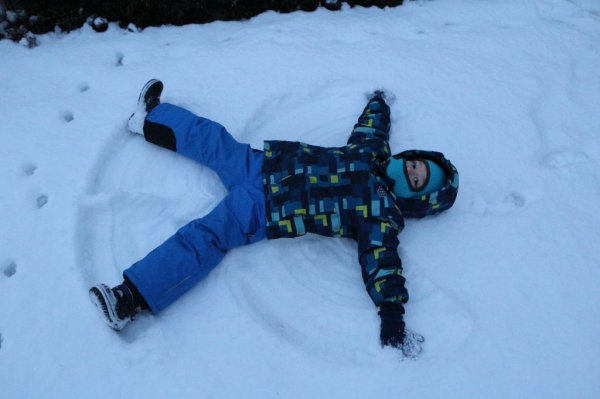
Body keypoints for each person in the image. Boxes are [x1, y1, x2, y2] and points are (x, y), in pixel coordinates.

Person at [89, 79, 459, 358]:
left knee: (204, 237)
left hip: (267, 209)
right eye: (415, 163)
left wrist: (392, 312)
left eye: (415, 180)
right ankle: (149, 118)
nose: (408, 169)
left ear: (415, 199)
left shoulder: (382, 215)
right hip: (263, 164)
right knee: (214, 141)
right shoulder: (372, 152)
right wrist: (380, 103)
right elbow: (373, 127)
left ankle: (129, 298)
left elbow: (382, 262)